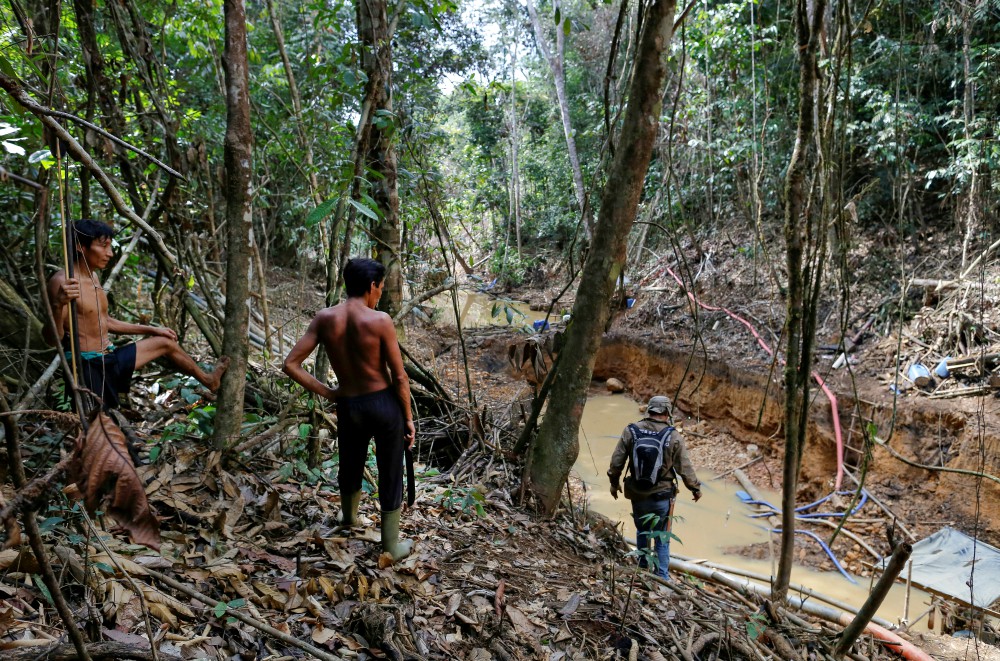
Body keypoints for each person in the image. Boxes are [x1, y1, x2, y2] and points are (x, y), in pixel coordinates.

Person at [282, 257, 415, 561]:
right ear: (372, 286)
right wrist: (408, 418)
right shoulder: (379, 320)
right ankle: (391, 546)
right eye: (380, 288)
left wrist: (329, 393)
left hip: (349, 405)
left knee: (350, 462)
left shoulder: (325, 318)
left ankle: (349, 518)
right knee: (390, 470)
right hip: (383, 404)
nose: (379, 294)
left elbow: (291, 364)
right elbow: (400, 377)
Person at [43, 219, 229, 410]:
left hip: (111, 357)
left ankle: (209, 380)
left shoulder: (93, 276)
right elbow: (52, 340)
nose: (110, 253)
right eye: (103, 246)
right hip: (89, 368)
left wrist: (152, 329)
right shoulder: (62, 282)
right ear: (81, 247)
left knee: (165, 342)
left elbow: (104, 321)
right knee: (98, 427)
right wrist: (58, 305)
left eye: (110, 247)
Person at [608, 395, 702, 581]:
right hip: (662, 496)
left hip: (638, 494)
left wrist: (614, 483)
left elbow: (617, 460)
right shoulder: (673, 436)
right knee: (663, 538)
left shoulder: (631, 431)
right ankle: (663, 578)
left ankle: (642, 570)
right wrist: (695, 488)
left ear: (649, 410)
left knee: (642, 531)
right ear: (667, 413)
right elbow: (685, 467)